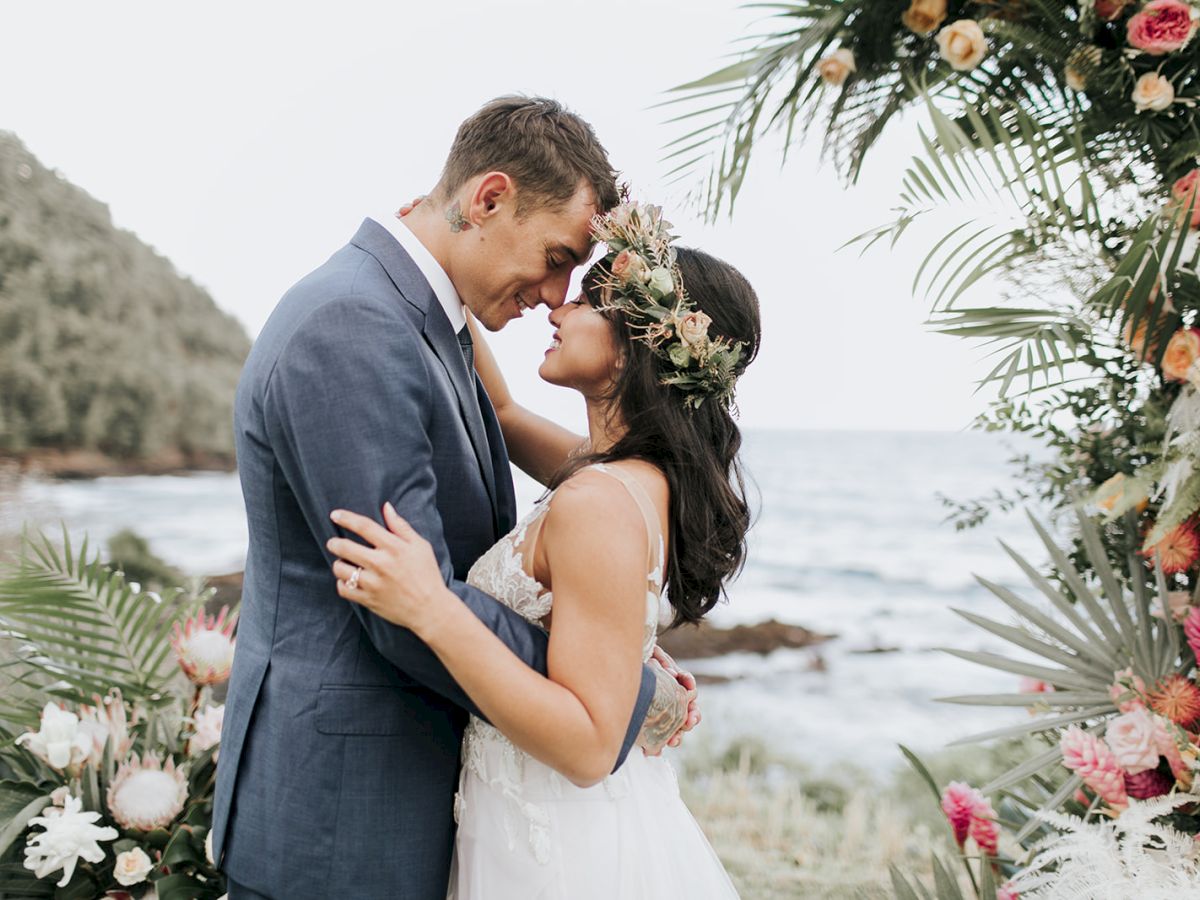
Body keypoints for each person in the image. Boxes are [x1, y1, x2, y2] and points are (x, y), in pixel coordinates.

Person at [212, 97, 695, 900]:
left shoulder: (426, 321)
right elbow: (398, 605)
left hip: (392, 802)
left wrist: (605, 640)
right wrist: (608, 683)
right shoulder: (354, 327)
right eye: (555, 256)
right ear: (490, 198)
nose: (555, 292)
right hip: (342, 816)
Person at [328, 201, 760, 898]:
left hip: (557, 847)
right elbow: (499, 413)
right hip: (543, 819)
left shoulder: (598, 501)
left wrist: (432, 607)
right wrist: (432, 253)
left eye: (588, 299)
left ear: (635, 343)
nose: (557, 308)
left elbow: (590, 747)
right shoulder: (618, 475)